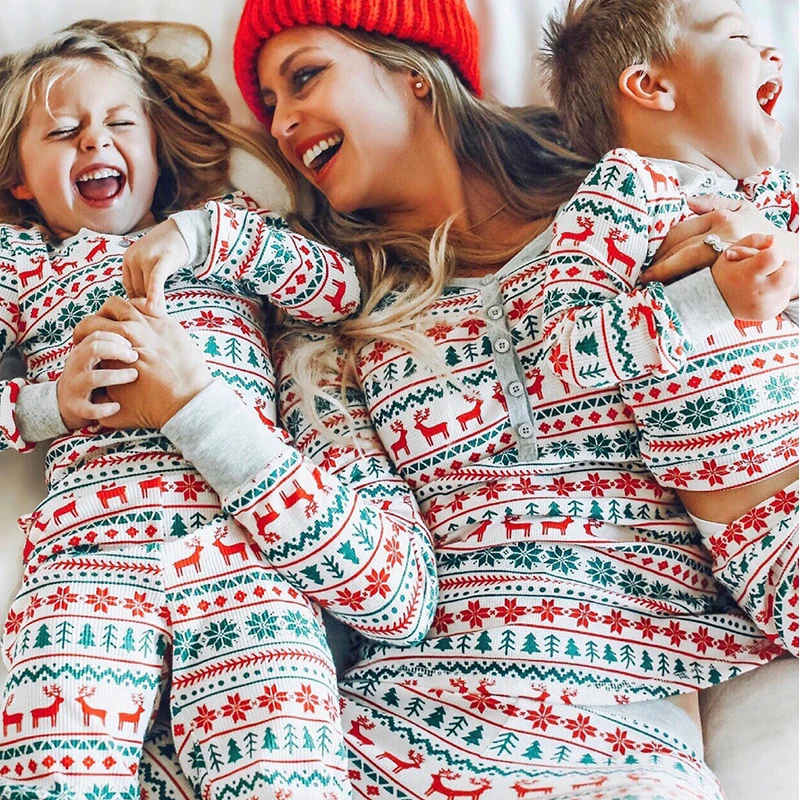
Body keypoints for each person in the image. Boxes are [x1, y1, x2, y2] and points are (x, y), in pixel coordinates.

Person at [76, 0, 797, 798]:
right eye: (270, 108)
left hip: (619, 748)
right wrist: (196, 405)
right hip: (381, 741)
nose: (282, 126)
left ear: (413, 70)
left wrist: (748, 275)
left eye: (305, 76)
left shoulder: (649, 200)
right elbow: (384, 589)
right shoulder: (335, 334)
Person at [0, 20, 437, 800]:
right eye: (63, 132)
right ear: (21, 181)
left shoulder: (226, 229)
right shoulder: (26, 265)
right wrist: (48, 404)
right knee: (53, 777)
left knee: (285, 776)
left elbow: (336, 288)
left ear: (157, 147)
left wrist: (203, 234)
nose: (94, 142)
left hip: (248, 559)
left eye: (120, 123)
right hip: (87, 565)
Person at [537, 0, 798, 652]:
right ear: (651, 85)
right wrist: (714, 297)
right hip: (772, 529)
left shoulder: (774, 196)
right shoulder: (625, 193)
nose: (772, 54)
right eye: (739, 36)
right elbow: (557, 366)